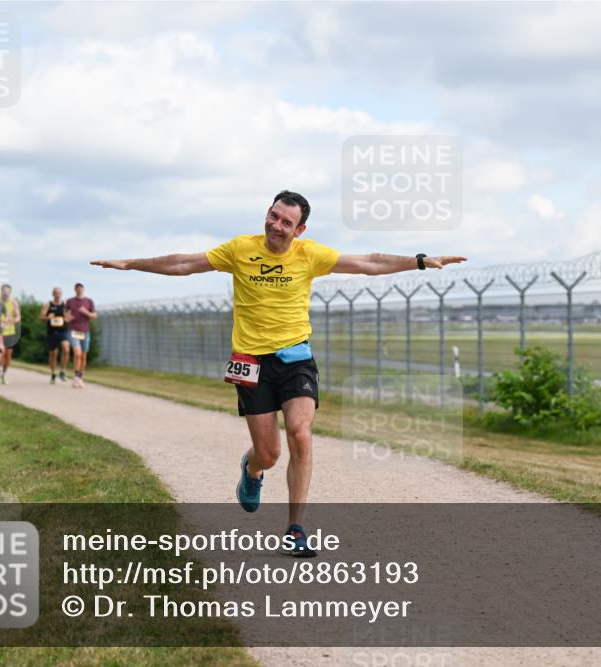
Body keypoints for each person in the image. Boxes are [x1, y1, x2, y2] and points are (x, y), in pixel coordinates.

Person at [92, 190, 467, 556]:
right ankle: (252, 469)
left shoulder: (310, 255)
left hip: (295, 358)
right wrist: (131, 263)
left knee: (301, 435)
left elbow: (368, 262)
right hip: (250, 360)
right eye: (273, 216)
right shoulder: (241, 249)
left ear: (299, 230)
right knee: (269, 453)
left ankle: (295, 529)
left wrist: (419, 260)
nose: (276, 225)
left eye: (287, 222)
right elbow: (182, 264)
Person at [65, 283, 96, 388]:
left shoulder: (89, 301)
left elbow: (94, 316)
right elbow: (65, 316)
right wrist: (68, 318)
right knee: (77, 353)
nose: (79, 290)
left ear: (83, 289)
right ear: (75, 289)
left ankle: (80, 377)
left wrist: (86, 312)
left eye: (81, 288)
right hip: (73, 331)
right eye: (77, 288)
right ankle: (76, 377)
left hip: (85, 331)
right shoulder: (70, 301)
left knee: (83, 355)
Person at [40, 287, 71, 384]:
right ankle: (53, 373)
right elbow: (41, 317)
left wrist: (67, 319)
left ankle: (62, 371)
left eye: (59, 293)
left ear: (61, 294)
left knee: (66, 349)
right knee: (53, 354)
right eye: (56, 293)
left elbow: (69, 317)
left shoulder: (65, 304)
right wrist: (47, 317)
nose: (58, 295)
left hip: (63, 331)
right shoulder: (48, 304)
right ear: (53, 294)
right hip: (52, 332)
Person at [0, 284, 22, 384]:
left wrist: (13, 320)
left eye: (7, 292)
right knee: (0, 353)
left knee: (8, 355)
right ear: (1, 291)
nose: (5, 293)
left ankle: (3, 374)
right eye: (4, 291)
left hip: (10, 331)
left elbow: (18, 317)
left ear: (10, 292)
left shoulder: (14, 303)